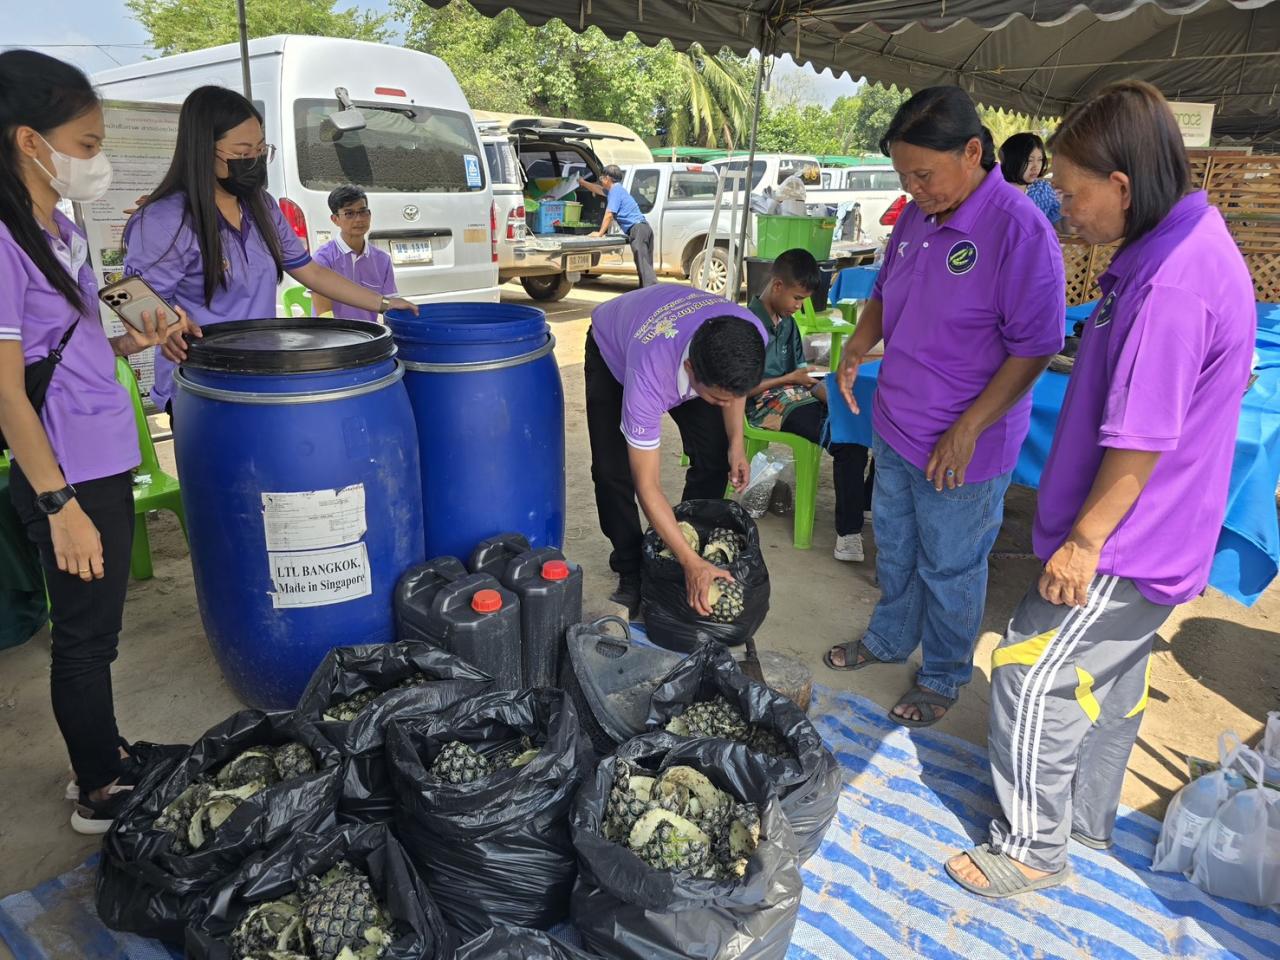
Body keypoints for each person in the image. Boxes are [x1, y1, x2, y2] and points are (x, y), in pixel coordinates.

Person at [946, 81, 1255, 899]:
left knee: (1030, 670)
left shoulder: (1173, 283)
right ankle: (1085, 815)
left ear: (1121, 186)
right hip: (1153, 530)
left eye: (1073, 193)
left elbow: (1143, 439)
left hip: (1127, 536)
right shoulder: (1170, 241)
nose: (1064, 209)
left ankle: (1033, 848)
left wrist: (1084, 544)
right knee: (1109, 681)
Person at [0, 51, 198, 832]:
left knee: (101, 632)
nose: (98, 160)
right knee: (85, 639)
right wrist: (59, 505)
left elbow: (74, 347)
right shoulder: (5, 243)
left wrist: (139, 340)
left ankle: (106, 752)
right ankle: (97, 790)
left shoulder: (57, 226)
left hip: (104, 454)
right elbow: (7, 392)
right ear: (28, 141)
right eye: (85, 145)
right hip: (67, 474)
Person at [828, 86, 1065, 728]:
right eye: (904, 175)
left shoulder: (1019, 230)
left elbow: (1036, 347)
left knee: (951, 566)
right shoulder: (915, 216)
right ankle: (888, 638)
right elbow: (882, 291)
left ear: (972, 151)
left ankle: (944, 672)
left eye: (923, 174)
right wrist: (857, 344)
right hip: (898, 425)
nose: (914, 188)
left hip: (962, 446)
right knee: (898, 548)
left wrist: (969, 427)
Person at [123, 86, 414, 416]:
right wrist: (170, 325)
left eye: (261, 150)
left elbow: (311, 272)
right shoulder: (165, 220)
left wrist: (384, 302)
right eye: (242, 153)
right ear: (203, 151)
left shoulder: (262, 207)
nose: (255, 161)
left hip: (262, 374)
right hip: (201, 383)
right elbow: (137, 301)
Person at [585, 283, 766, 615]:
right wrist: (689, 562)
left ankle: (690, 547)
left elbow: (735, 390)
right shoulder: (649, 375)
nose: (725, 404)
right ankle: (631, 570)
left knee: (714, 457)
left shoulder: (749, 333)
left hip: (676, 332)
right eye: (717, 399)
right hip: (613, 347)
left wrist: (737, 443)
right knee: (613, 472)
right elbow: (648, 485)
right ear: (690, 371)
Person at [747, 248, 873, 562]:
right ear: (777, 286)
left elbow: (801, 375)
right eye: (798, 298)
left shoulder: (787, 323)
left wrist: (829, 393)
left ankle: (864, 504)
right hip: (766, 407)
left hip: (795, 397)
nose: (799, 306)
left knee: (865, 422)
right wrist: (790, 379)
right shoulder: (749, 324)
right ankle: (848, 533)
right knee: (846, 441)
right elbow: (743, 390)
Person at [310, 185, 397, 323]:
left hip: (369, 336)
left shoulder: (383, 260)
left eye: (363, 212)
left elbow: (390, 307)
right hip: (333, 336)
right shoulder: (323, 259)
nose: (359, 219)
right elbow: (324, 314)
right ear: (335, 219)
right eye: (349, 214)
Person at [579, 164, 657, 287]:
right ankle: (646, 294)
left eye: (602, 178)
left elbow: (609, 214)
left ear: (607, 179)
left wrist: (600, 234)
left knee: (645, 270)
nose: (601, 180)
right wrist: (583, 183)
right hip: (644, 229)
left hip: (638, 230)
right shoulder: (616, 190)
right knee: (645, 267)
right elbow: (597, 189)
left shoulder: (615, 191)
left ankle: (651, 297)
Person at [1000, 132, 1061, 225]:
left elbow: (1063, 227)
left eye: (1040, 159)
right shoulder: (996, 192)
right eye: (1030, 160)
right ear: (1012, 160)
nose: (1036, 167)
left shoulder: (1044, 191)